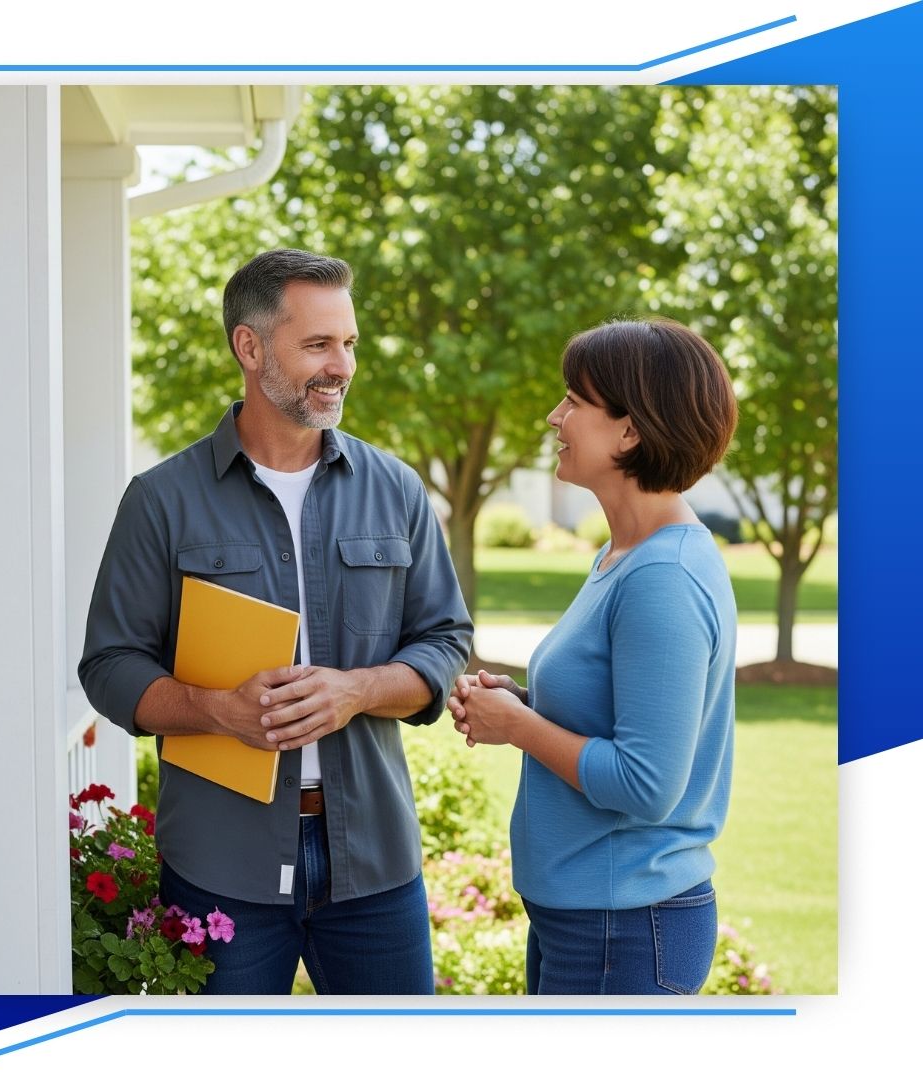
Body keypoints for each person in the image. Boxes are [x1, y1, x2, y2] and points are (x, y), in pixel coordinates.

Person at [80, 248, 472, 994]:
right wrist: (215, 710)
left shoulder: (395, 489)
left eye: (349, 343)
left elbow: (446, 639)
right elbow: (109, 665)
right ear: (250, 347)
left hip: (375, 866)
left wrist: (356, 691)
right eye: (318, 344)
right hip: (220, 869)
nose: (343, 365)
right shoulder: (161, 500)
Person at [448, 317, 738, 995]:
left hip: (626, 927)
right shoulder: (622, 556)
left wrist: (518, 727)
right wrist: (516, 706)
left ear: (630, 431)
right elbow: (615, 717)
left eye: (574, 401)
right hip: (589, 919)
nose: (556, 416)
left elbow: (646, 782)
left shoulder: (662, 577)